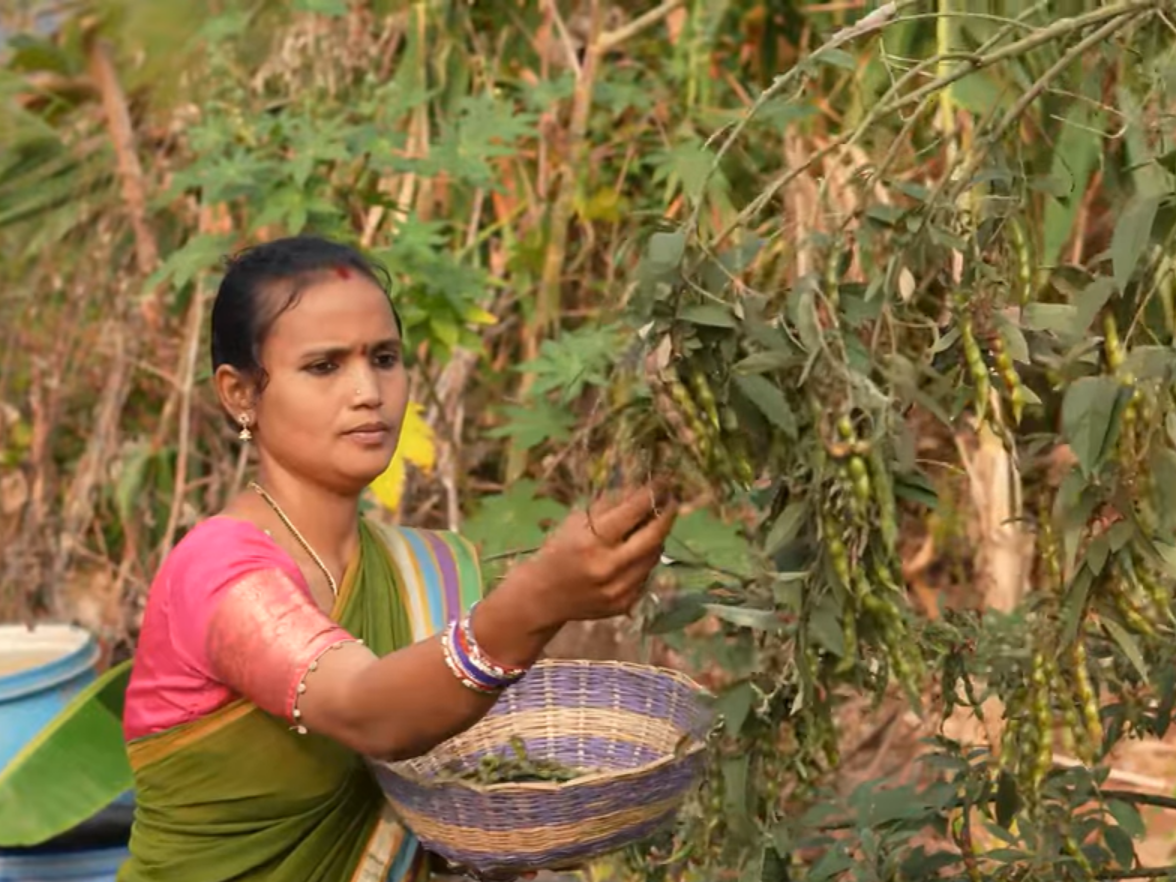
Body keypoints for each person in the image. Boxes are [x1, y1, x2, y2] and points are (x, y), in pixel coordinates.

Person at [116, 235, 678, 882]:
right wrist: (536, 600)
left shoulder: (422, 567)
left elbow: (458, 782)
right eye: (325, 366)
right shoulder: (218, 570)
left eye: (384, 358)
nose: (368, 391)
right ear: (241, 394)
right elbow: (367, 711)